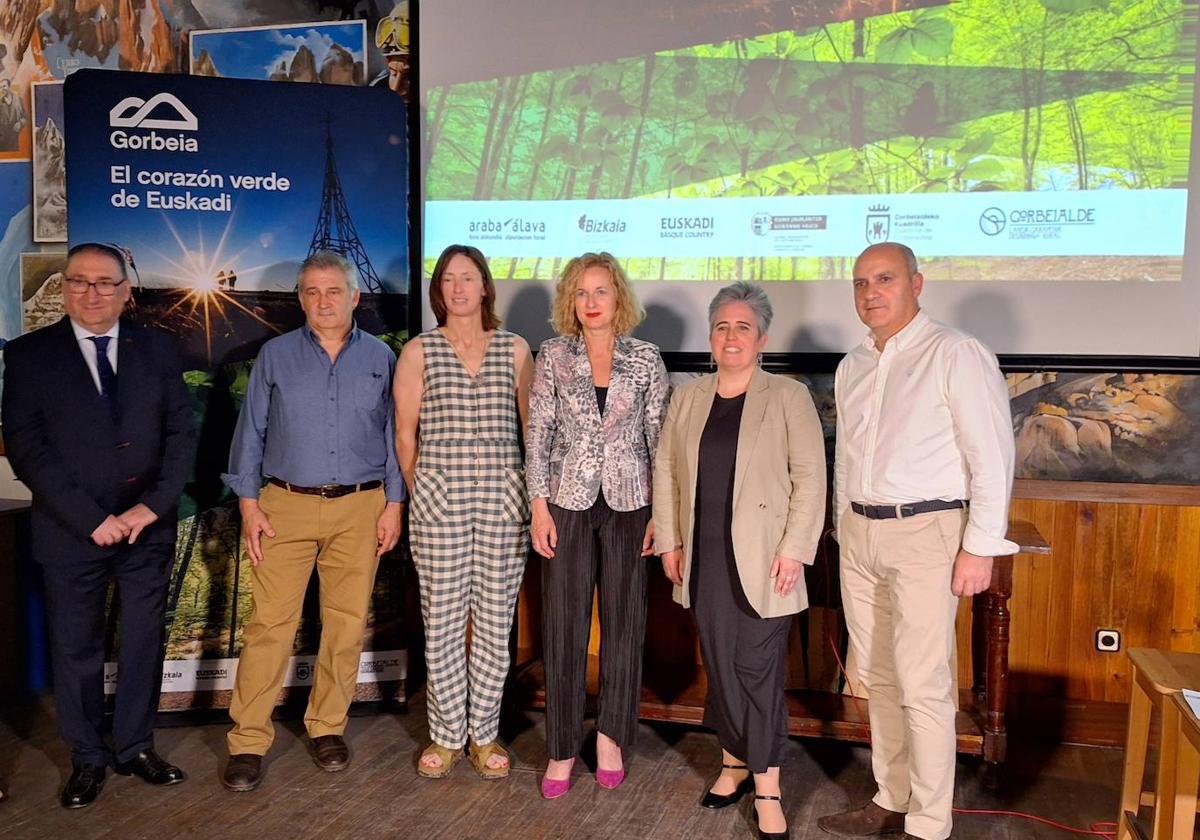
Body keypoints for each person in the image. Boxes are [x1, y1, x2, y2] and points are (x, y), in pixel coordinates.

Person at [818, 242, 1016, 840]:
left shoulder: (956, 353)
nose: (870, 292)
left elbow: (992, 454)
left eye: (884, 279)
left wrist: (980, 545)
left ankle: (929, 824)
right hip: (859, 532)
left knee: (924, 682)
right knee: (877, 676)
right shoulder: (852, 364)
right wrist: (840, 526)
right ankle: (890, 795)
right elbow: (848, 456)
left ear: (917, 283)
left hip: (928, 532)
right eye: (860, 283)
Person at [2, 242, 195, 808]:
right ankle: (86, 758)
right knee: (77, 649)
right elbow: (27, 449)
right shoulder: (29, 355)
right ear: (64, 288)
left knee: (143, 642)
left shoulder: (157, 350)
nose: (93, 293)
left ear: (125, 290)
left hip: (145, 530)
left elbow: (181, 437)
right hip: (71, 533)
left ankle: (136, 745)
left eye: (106, 282)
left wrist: (149, 509)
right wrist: (92, 521)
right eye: (80, 282)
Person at [220, 250, 405, 792]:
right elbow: (250, 432)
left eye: (333, 291)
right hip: (284, 506)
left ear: (354, 297)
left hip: (361, 505)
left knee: (345, 625)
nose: (322, 302)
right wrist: (249, 504)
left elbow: (396, 436)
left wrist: (394, 503)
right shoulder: (274, 356)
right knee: (269, 628)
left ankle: (328, 726)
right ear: (300, 298)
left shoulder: (380, 358)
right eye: (311, 292)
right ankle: (248, 740)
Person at [653, 281, 826, 840]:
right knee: (722, 667)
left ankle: (769, 785)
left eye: (743, 327)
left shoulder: (788, 396)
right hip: (703, 561)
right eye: (723, 326)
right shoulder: (689, 397)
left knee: (757, 672)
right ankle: (732, 763)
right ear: (711, 336)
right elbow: (667, 474)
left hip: (767, 561)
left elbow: (812, 479)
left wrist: (796, 549)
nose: (731, 336)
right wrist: (671, 541)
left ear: (762, 338)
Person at [526, 252, 669, 797]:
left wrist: (664, 513)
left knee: (624, 623)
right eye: (581, 293)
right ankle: (561, 747)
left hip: (633, 503)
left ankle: (611, 737)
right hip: (565, 500)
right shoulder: (554, 356)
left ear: (618, 298)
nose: (591, 302)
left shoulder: (647, 358)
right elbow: (537, 431)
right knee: (563, 625)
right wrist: (538, 504)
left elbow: (660, 441)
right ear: (571, 299)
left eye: (601, 292)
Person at [394, 244, 533, 780]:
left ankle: (486, 736)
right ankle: (447, 735)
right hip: (439, 505)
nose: (458, 287)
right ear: (439, 290)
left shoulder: (516, 349)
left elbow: (531, 432)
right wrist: (423, 488)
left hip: (502, 504)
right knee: (444, 623)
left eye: (468, 277)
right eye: (448, 278)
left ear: (484, 287)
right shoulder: (419, 352)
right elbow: (405, 434)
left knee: (497, 625)